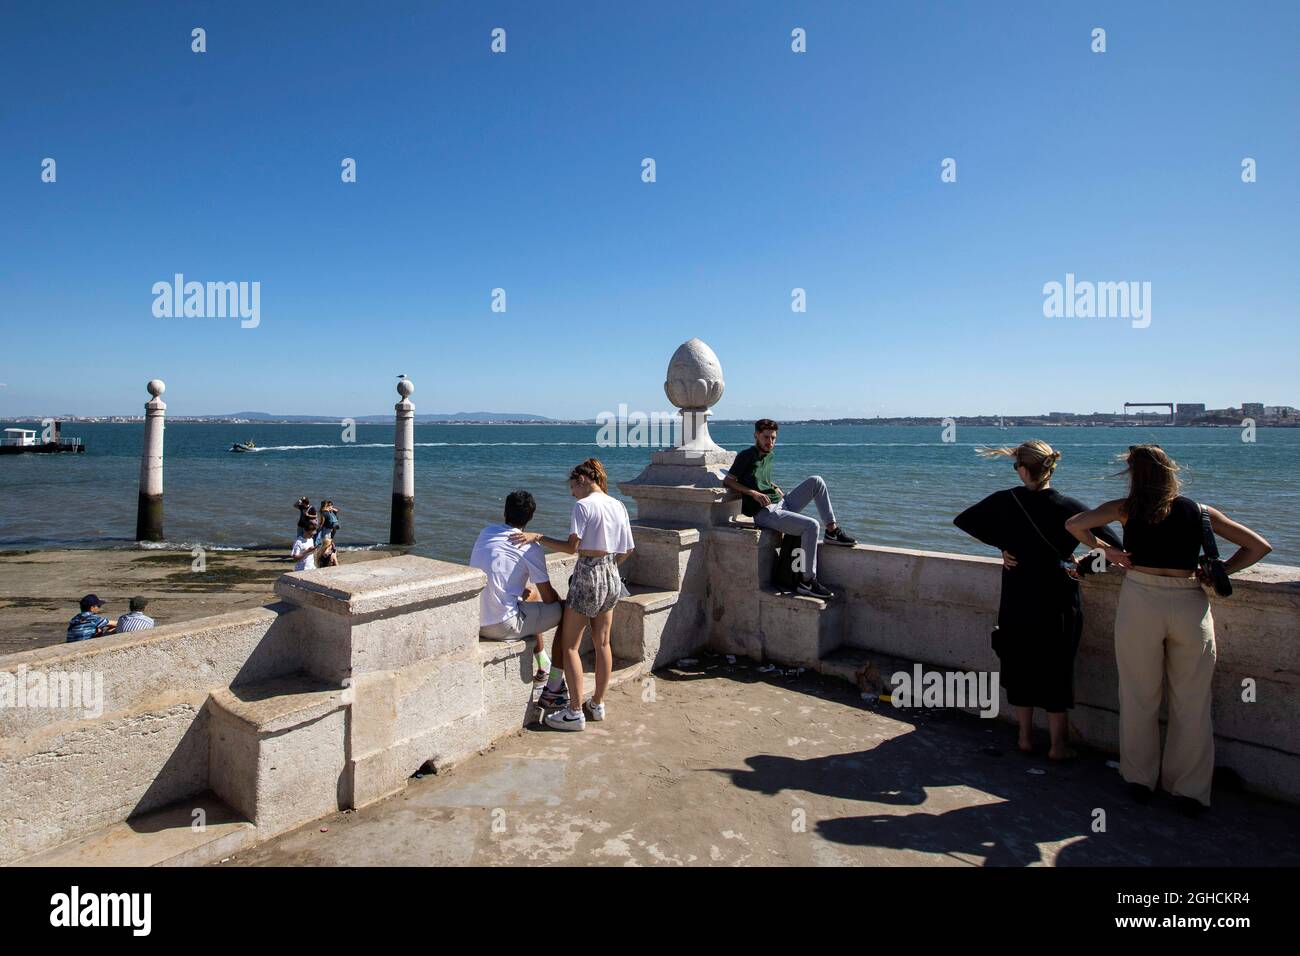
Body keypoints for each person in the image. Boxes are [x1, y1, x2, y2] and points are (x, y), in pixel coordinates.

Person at [1066, 444, 1271, 814]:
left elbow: (1074, 524)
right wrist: (1221, 570)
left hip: (1142, 598)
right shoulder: (1201, 512)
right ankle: (1190, 790)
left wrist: (1105, 550)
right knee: (1192, 701)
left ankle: (1140, 779)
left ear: (1133, 474)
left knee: (1139, 694)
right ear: (1170, 472)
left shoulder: (1125, 509)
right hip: (1190, 600)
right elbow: (1259, 546)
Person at [954, 440, 1122, 760]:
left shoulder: (1007, 500)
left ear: (1023, 469)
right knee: (1057, 668)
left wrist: (1003, 544)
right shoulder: (1069, 506)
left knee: (1019, 663)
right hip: (1058, 595)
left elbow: (964, 520)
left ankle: (1025, 738)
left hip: (1018, 593)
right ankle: (1059, 746)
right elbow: (1114, 548)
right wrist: (1083, 565)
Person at [511, 459, 634, 731]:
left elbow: (570, 548)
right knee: (603, 643)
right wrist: (608, 568)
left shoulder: (583, 506)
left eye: (572, 487)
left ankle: (574, 712)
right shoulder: (618, 505)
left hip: (588, 574)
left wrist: (538, 537)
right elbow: (628, 549)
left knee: (570, 646)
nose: (571, 494)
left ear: (581, 480)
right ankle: (597, 704)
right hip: (611, 573)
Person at [722, 419, 856, 599]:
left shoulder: (769, 454)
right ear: (756, 435)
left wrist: (773, 485)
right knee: (811, 525)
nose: (770, 442)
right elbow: (729, 481)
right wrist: (753, 493)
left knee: (816, 481)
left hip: (781, 503)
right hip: (765, 512)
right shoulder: (746, 456)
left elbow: (760, 477)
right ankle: (807, 582)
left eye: (773, 438)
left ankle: (832, 531)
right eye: (766, 437)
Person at [470, 490, 564, 683]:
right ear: (531, 517)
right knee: (569, 612)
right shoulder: (531, 548)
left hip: (474, 620)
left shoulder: (486, 533)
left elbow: (493, 570)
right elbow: (549, 598)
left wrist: (520, 591)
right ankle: (555, 682)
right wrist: (560, 600)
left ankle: (543, 664)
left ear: (505, 512)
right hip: (501, 625)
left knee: (530, 595)